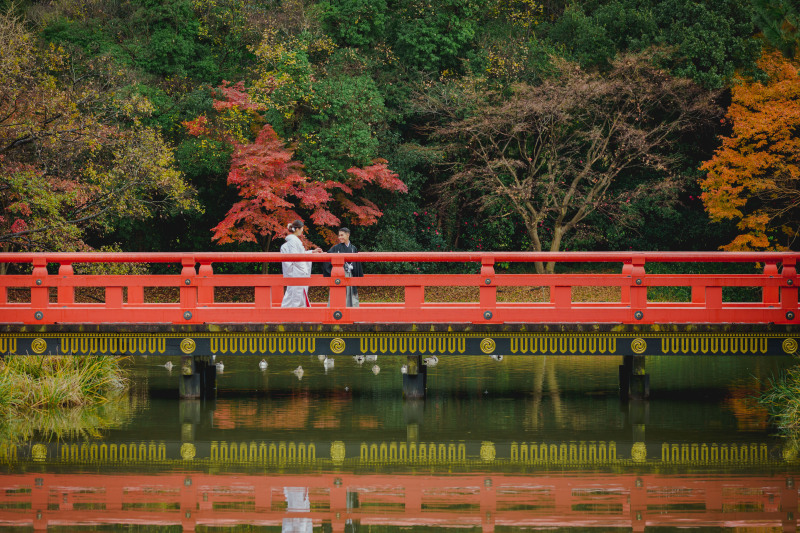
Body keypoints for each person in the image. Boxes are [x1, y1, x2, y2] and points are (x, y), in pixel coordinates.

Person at [280, 220, 322, 308]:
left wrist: (312, 252)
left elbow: (300, 254)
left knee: (295, 292)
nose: (302, 231)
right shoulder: (293, 241)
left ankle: (292, 312)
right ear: (297, 229)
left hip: (296, 270)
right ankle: (291, 313)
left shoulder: (293, 240)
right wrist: (304, 270)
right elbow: (296, 257)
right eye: (302, 229)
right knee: (295, 293)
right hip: (296, 271)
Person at [322, 227, 363, 307]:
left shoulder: (353, 248)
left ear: (348, 235)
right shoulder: (336, 248)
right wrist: (331, 272)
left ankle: (351, 313)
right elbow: (327, 259)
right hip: (339, 275)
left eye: (342, 235)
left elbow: (357, 264)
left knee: (350, 294)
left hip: (350, 274)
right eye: (339, 235)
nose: (339, 237)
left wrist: (358, 278)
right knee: (338, 293)